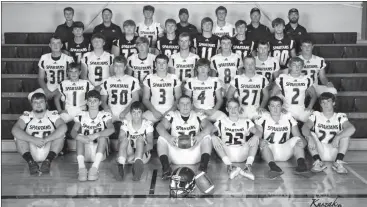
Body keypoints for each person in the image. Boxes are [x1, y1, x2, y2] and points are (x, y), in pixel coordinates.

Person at [156, 95, 213, 179]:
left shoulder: (198, 115)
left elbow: (210, 126)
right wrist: (169, 138)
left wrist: (199, 136)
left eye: (187, 103)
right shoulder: (172, 115)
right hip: (176, 152)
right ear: (178, 106)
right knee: (161, 138)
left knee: (207, 137)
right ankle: (166, 169)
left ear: (192, 105)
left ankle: (203, 168)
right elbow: (159, 127)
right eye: (182, 103)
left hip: (193, 153)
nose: (185, 106)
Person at [11, 91, 67, 175]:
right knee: (18, 136)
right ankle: (31, 162)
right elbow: (15, 130)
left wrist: (46, 139)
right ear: (31, 104)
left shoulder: (52, 115)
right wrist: (33, 139)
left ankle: (47, 161)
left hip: (49, 150)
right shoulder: (27, 116)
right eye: (35, 102)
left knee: (61, 134)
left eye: (41, 102)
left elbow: (63, 127)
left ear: (46, 103)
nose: (38, 104)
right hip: (31, 150)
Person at [302, 92, 356, 174]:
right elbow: (305, 128)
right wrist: (309, 138)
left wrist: (338, 137)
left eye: (328, 101)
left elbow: (352, 128)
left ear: (333, 103)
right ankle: (318, 162)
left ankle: (338, 162)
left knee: (345, 134)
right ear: (320, 104)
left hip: (334, 150)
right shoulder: (316, 115)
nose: (325, 104)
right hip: (319, 150)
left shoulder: (339, 117)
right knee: (310, 134)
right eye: (323, 102)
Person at [256, 96, 308, 179]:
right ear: (268, 107)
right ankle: (273, 167)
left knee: (298, 139)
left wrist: (304, 142)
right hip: (269, 151)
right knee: (262, 142)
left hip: (285, 150)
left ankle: (302, 165)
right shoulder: (263, 119)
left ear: (281, 107)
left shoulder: (288, 118)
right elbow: (257, 136)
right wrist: (260, 141)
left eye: (278, 106)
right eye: (273, 106)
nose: (275, 109)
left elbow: (298, 135)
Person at [71, 90, 115, 181]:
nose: (92, 103)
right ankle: (81, 168)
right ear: (86, 102)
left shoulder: (104, 115)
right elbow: (73, 132)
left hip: (99, 152)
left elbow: (111, 129)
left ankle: (94, 168)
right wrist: (79, 137)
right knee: (79, 136)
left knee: (102, 136)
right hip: (84, 151)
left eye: (95, 101)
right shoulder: (81, 115)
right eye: (90, 101)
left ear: (100, 102)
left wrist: (96, 135)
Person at [211, 99, 261, 180]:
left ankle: (248, 167)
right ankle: (230, 166)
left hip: (242, 152)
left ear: (239, 109)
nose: (233, 110)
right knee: (213, 138)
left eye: (235, 107)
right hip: (226, 153)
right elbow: (209, 131)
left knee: (255, 139)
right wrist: (213, 137)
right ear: (227, 109)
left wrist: (256, 136)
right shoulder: (221, 121)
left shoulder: (246, 121)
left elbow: (259, 132)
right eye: (230, 107)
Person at [272, 57, 317, 122]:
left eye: (299, 65)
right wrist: (280, 108)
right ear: (289, 66)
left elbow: (314, 95)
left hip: (301, 110)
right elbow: (273, 95)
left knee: (314, 117)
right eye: (294, 65)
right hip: (286, 109)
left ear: (302, 67)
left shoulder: (306, 79)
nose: (297, 67)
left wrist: (310, 107)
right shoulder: (283, 78)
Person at [117, 101, 154, 181]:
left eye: (139, 112)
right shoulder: (126, 123)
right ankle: (120, 167)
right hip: (128, 154)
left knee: (140, 139)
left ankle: (137, 170)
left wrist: (136, 154)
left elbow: (150, 144)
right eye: (134, 112)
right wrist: (129, 154)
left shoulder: (147, 124)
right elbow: (120, 140)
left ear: (142, 113)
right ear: (130, 113)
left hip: (143, 155)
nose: (136, 114)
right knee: (124, 139)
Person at [36, 35, 74, 110]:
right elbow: (40, 78)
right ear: (50, 45)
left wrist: (54, 92)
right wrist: (46, 91)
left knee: (65, 98)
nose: (55, 45)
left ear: (62, 45)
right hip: (49, 86)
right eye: (53, 43)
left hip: (65, 86)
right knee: (31, 96)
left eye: (58, 43)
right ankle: (41, 116)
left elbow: (71, 78)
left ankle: (64, 117)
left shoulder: (68, 59)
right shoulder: (44, 58)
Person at [227, 56, 270, 120]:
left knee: (269, 117)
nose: (250, 66)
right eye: (247, 64)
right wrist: (236, 107)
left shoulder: (261, 78)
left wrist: (261, 106)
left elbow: (266, 95)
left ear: (255, 64)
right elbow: (229, 95)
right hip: (241, 109)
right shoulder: (238, 79)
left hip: (255, 109)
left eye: (252, 63)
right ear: (244, 65)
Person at [142, 54, 182, 124]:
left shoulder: (174, 78)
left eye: (164, 63)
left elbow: (178, 98)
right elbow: (145, 99)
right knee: (140, 121)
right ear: (155, 64)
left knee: (180, 123)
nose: (161, 65)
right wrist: (154, 111)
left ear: (167, 65)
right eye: (159, 63)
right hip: (154, 110)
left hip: (171, 109)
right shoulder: (149, 78)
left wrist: (170, 111)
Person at [101, 55, 140, 122]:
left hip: (127, 112)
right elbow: (103, 100)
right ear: (113, 66)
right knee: (99, 122)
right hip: (111, 111)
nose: (118, 68)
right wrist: (106, 108)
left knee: (131, 128)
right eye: (116, 65)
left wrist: (125, 112)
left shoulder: (132, 80)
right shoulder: (107, 81)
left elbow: (135, 99)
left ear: (125, 67)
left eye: (120, 66)